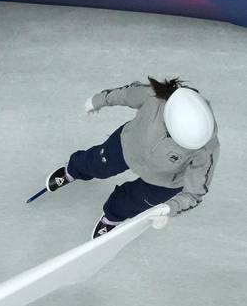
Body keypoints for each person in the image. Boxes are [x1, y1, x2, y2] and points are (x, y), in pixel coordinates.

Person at [43, 78, 219, 238]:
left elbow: (194, 193)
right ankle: (72, 170)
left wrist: (169, 209)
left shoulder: (206, 148)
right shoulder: (155, 98)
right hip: (128, 146)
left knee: (134, 201)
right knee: (97, 164)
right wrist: (98, 101)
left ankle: (112, 217)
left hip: (165, 180)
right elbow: (126, 94)